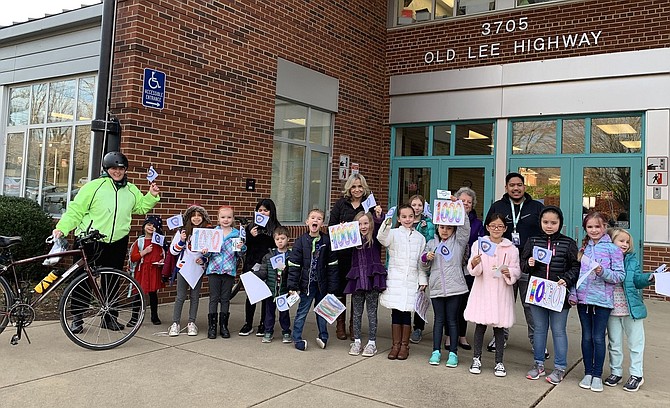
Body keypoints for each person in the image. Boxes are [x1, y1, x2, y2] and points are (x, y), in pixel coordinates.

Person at [53, 151, 160, 332]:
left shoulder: (131, 190)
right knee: (83, 280)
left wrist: (151, 195)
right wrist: (62, 228)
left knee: (113, 280)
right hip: (90, 240)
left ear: (125, 170)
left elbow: (141, 208)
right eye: (113, 168)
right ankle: (77, 318)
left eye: (120, 168)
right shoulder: (93, 187)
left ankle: (109, 317)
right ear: (106, 169)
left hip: (117, 241)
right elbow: (76, 210)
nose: (117, 172)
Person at [486, 172, 543, 354]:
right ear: (506, 187)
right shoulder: (498, 207)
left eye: (519, 185)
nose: (516, 188)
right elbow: (488, 232)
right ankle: (500, 337)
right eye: (512, 185)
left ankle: (537, 342)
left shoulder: (536, 207)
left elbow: (544, 233)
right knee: (503, 302)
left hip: (529, 264)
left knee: (531, 306)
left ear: (524, 187)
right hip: (505, 265)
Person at [521, 206, 580, 385]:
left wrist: (567, 279)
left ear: (560, 223)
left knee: (558, 331)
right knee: (539, 330)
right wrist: (529, 263)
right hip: (538, 292)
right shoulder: (532, 241)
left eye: (553, 223)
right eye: (545, 222)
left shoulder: (568, 243)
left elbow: (576, 266)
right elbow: (523, 265)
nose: (549, 226)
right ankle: (538, 364)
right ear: (540, 222)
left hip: (558, 293)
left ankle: (559, 367)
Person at [569, 211, 625, 392]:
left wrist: (603, 272)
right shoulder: (582, 249)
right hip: (583, 300)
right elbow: (575, 274)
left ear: (605, 227)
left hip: (602, 301)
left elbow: (619, 276)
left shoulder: (613, 250)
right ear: (585, 228)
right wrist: (573, 293)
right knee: (586, 337)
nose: (594, 230)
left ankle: (597, 375)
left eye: (597, 226)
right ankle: (587, 372)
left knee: (598, 338)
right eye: (590, 227)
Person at [465, 212, 521, 377]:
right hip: (483, 289)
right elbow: (475, 269)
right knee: (480, 326)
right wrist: (474, 264)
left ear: (505, 228)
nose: (496, 229)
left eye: (500, 226)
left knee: (499, 328)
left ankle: (499, 362)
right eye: (493, 226)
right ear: (487, 227)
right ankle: (476, 358)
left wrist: (508, 272)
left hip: (501, 292)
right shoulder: (479, 244)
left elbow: (516, 270)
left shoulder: (511, 249)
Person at [604, 228, 654, 392]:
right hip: (612, 309)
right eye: (621, 241)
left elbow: (637, 280)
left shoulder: (632, 260)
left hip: (631, 308)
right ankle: (616, 372)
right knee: (614, 343)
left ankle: (636, 374)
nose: (624, 244)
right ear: (612, 241)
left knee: (635, 343)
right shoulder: (606, 258)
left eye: (627, 242)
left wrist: (649, 278)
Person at [421, 203, 470, 368]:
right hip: (436, 287)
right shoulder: (431, 243)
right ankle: (436, 351)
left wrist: (458, 207)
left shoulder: (458, 242)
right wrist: (426, 259)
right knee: (438, 320)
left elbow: (465, 227)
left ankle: (453, 353)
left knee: (452, 321)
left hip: (455, 287)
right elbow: (423, 266)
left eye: (449, 228)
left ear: (454, 230)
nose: (445, 231)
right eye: (442, 227)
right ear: (437, 227)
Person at [377, 203, 427, 361]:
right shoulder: (393, 233)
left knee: (407, 313)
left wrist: (422, 280)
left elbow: (421, 262)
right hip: (396, 278)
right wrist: (386, 222)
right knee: (396, 312)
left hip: (411, 279)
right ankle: (395, 345)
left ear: (415, 218)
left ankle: (405, 346)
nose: (407, 219)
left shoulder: (420, 238)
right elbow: (381, 238)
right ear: (398, 218)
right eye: (404, 217)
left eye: (410, 216)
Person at [287, 209, 339, 351]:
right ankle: (297, 337)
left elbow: (333, 265)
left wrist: (333, 288)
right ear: (307, 222)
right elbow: (294, 265)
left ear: (323, 223)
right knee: (302, 312)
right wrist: (292, 285)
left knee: (322, 312)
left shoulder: (327, 241)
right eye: (313, 218)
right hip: (306, 285)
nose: (315, 220)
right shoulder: (300, 241)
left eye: (319, 218)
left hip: (322, 285)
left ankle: (323, 336)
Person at [329, 173, 371, 340]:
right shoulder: (341, 203)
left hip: (361, 254)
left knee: (357, 291)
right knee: (340, 290)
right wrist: (339, 228)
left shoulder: (369, 204)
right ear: (349, 188)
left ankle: (354, 326)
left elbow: (374, 224)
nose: (357, 189)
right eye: (353, 186)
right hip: (342, 254)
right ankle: (340, 324)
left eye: (360, 186)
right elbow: (331, 225)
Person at [344, 208, 387, 358]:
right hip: (357, 279)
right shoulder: (353, 239)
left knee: (371, 311)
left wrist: (378, 215)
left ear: (370, 224)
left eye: (366, 223)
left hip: (372, 278)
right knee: (356, 312)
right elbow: (340, 244)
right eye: (360, 224)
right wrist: (343, 231)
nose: (363, 227)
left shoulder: (375, 237)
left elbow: (382, 224)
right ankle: (356, 341)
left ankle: (372, 343)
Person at [239, 198, 281, 337]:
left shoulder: (276, 227)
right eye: (260, 210)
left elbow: (278, 245)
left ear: (271, 212)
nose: (262, 213)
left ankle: (263, 323)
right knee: (251, 295)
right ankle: (248, 323)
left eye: (265, 210)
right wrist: (251, 236)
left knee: (266, 295)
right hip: (252, 263)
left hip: (268, 264)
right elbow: (245, 246)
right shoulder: (251, 227)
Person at [168, 205, 211, 337]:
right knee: (180, 296)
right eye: (194, 215)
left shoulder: (207, 232)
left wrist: (204, 258)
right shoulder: (182, 231)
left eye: (199, 215)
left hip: (198, 268)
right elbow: (172, 251)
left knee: (194, 296)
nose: (196, 218)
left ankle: (191, 323)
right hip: (184, 267)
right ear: (189, 217)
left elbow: (211, 251)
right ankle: (175, 323)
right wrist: (181, 240)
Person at [204, 206, 245, 339]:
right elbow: (209, 253)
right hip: (214, 269)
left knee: (225, 299)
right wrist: (206, 251)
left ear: (233, 219)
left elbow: (239, 254)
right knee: (214, 298)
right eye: (223, 217)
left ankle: (223, 326)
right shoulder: (214, 233)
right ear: (218, 219)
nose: (226, 220)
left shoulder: (236, 234)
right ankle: (212, 326)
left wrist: (241, 248)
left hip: (228, 270)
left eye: (229, 217)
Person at [454, 187, 485, 350]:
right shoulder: (449, 218)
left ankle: (462, 335)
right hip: (451, 266)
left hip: (468, 268)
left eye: (469, 202)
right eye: (463, 201)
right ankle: (449, 335)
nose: (466, 204)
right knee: (452, 303)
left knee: (464, 303)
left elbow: (481, 244)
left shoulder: (478, 223)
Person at [257, 226, 293, 344]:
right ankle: (268, 331)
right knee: (269, 313)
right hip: (271, 290)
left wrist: (292, 287)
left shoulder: (291, 256)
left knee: (284, 313)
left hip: (284, 290)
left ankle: (286, 331)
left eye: (283, 238)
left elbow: (294, 273)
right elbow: (264, 272)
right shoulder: (269, 256)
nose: (280, 241)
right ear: (274, 240)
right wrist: (255, 275)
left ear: (288, 239)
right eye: (277, 239)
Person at [128, 215, 166, 326]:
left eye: (154, 226)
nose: (151, 227)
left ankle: (154, 316)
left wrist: (161, 261)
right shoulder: (139, 241)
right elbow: (133, 257)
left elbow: (163, 254)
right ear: (144, 226)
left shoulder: (159, 241)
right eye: (149, 224)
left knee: (153, 294)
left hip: (154, 271)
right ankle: (134, 317)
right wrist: (144, 252)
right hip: (142, 271)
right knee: (138, 294)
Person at [408, 194, 435, 344]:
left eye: (419, 205)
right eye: (414, 205)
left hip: (421, 265)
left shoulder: (428, 223)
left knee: (419, 296)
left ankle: (418, 327)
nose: (416, 208)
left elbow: (429, 243)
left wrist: (425, 271)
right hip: (405, 264)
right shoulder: (404, 220)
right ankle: (404, 325)